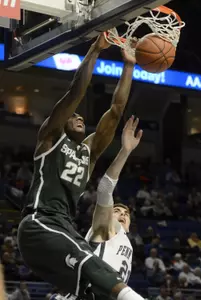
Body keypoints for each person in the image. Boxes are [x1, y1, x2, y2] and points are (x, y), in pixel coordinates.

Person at [17, 34, 146, 300]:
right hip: (40, 223)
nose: (78, 117)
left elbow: (116, 109)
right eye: (72, 116)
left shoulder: (89, 152)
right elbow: (76, 92)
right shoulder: (50, 138)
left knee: (89, 291)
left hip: (64, 230)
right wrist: (94, 51)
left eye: (80, 116)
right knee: (89, 260)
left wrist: (130, 65)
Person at [85, 117, 143, 284]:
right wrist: (125, 151)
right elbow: (104, 188)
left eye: (126, 213)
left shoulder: (124, 241)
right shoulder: (109, 228)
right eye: (117, 210)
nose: (123, 214)